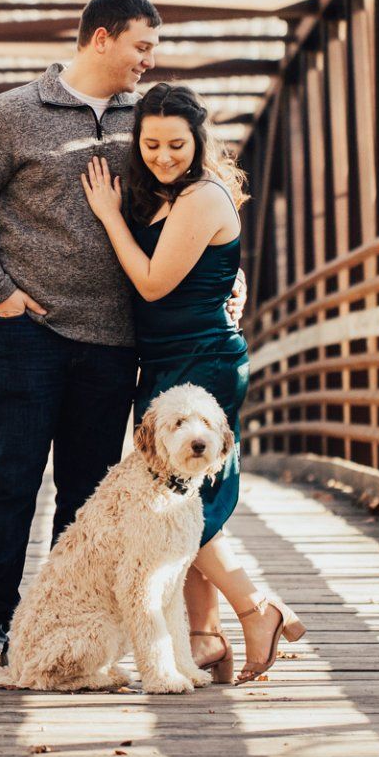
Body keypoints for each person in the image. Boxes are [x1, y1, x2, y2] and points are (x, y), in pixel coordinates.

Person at [0, 0, 163, 679]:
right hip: (24, 335)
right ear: (100, 38)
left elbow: (192, 198)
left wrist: (224, 275)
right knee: (10, 486)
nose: (148, 61)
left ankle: (59, 636)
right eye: (141, 46)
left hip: (112, 339)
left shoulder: (147, 120)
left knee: (86, 500)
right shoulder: (13, 113)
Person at [79, 82, 303, 683]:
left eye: (176, 144)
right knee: (186, 500)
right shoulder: (163, 195)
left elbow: (154, 283)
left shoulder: (203, 195)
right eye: (150, 144)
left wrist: (108, 216)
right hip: (163, 361)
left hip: (202, 360)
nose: (162, 156)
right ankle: (204, 638)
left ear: (198, 141)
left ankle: (255, 609)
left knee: (180, 496)